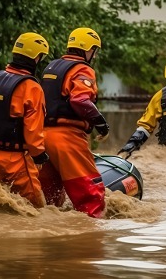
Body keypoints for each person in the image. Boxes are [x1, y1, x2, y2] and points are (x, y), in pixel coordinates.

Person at [38, 27, 109, 218]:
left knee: (50, 198)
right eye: (94, 50)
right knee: (90, 193)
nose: (94, 55)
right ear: (88, 49)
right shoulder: (82, 69)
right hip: (67, 138)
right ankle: (91, 239)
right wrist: (100, 123)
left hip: (41, 138)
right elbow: (80, 100)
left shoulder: (51, 67)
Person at [0, 32, 50, 208]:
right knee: (35, 208)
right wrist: (39, 156)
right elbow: (33, 131)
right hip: (16, 159)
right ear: (36, 58)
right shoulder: (32, 88)